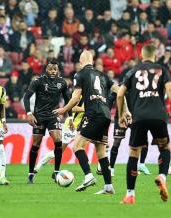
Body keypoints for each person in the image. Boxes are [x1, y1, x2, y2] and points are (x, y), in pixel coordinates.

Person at [54, 50, 129, 195]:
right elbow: (120, 91)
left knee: (77, 145)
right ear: (93, 62)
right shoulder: (103, 75)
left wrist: (63, 110)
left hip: (93, 113)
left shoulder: (80, 74)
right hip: (106, 114)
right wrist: (125, 110)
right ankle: (108, 186)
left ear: (81, 63)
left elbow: (75, 98)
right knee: (101, 152)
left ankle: (88, 176)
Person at [117, 44, 171, 204]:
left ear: (141, 55)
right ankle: (162, 175)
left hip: (139, 116)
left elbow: (119, 94)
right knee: (165, 148)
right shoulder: (161, 69)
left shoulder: (132, 71)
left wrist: (121, 114)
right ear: (155, 55)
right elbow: (170, 89)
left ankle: (130, 194)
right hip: (158, 115)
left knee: (134, 152)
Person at [23, 60, 71, 184]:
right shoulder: (38, 81)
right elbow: (26, 97)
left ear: (58, 70)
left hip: (53, 116)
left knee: (58, 142)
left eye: (55, 69)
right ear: (46, 69)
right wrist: (29, 113)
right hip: (39, 116)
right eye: (50, 69)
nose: (53, 71)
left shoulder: (62, 83)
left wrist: (70, 117)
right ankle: (30, 174)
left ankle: (56, 172)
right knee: (36, 144)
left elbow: (68, 101)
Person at [34, 97, 84, 174]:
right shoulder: (78, 95)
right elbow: (71, 108)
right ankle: (38, 167)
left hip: (83, 128)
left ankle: (102, 170)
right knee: (59, 151)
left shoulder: (94, 96)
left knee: (100, 143)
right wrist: (86, 109)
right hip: (71, 127)